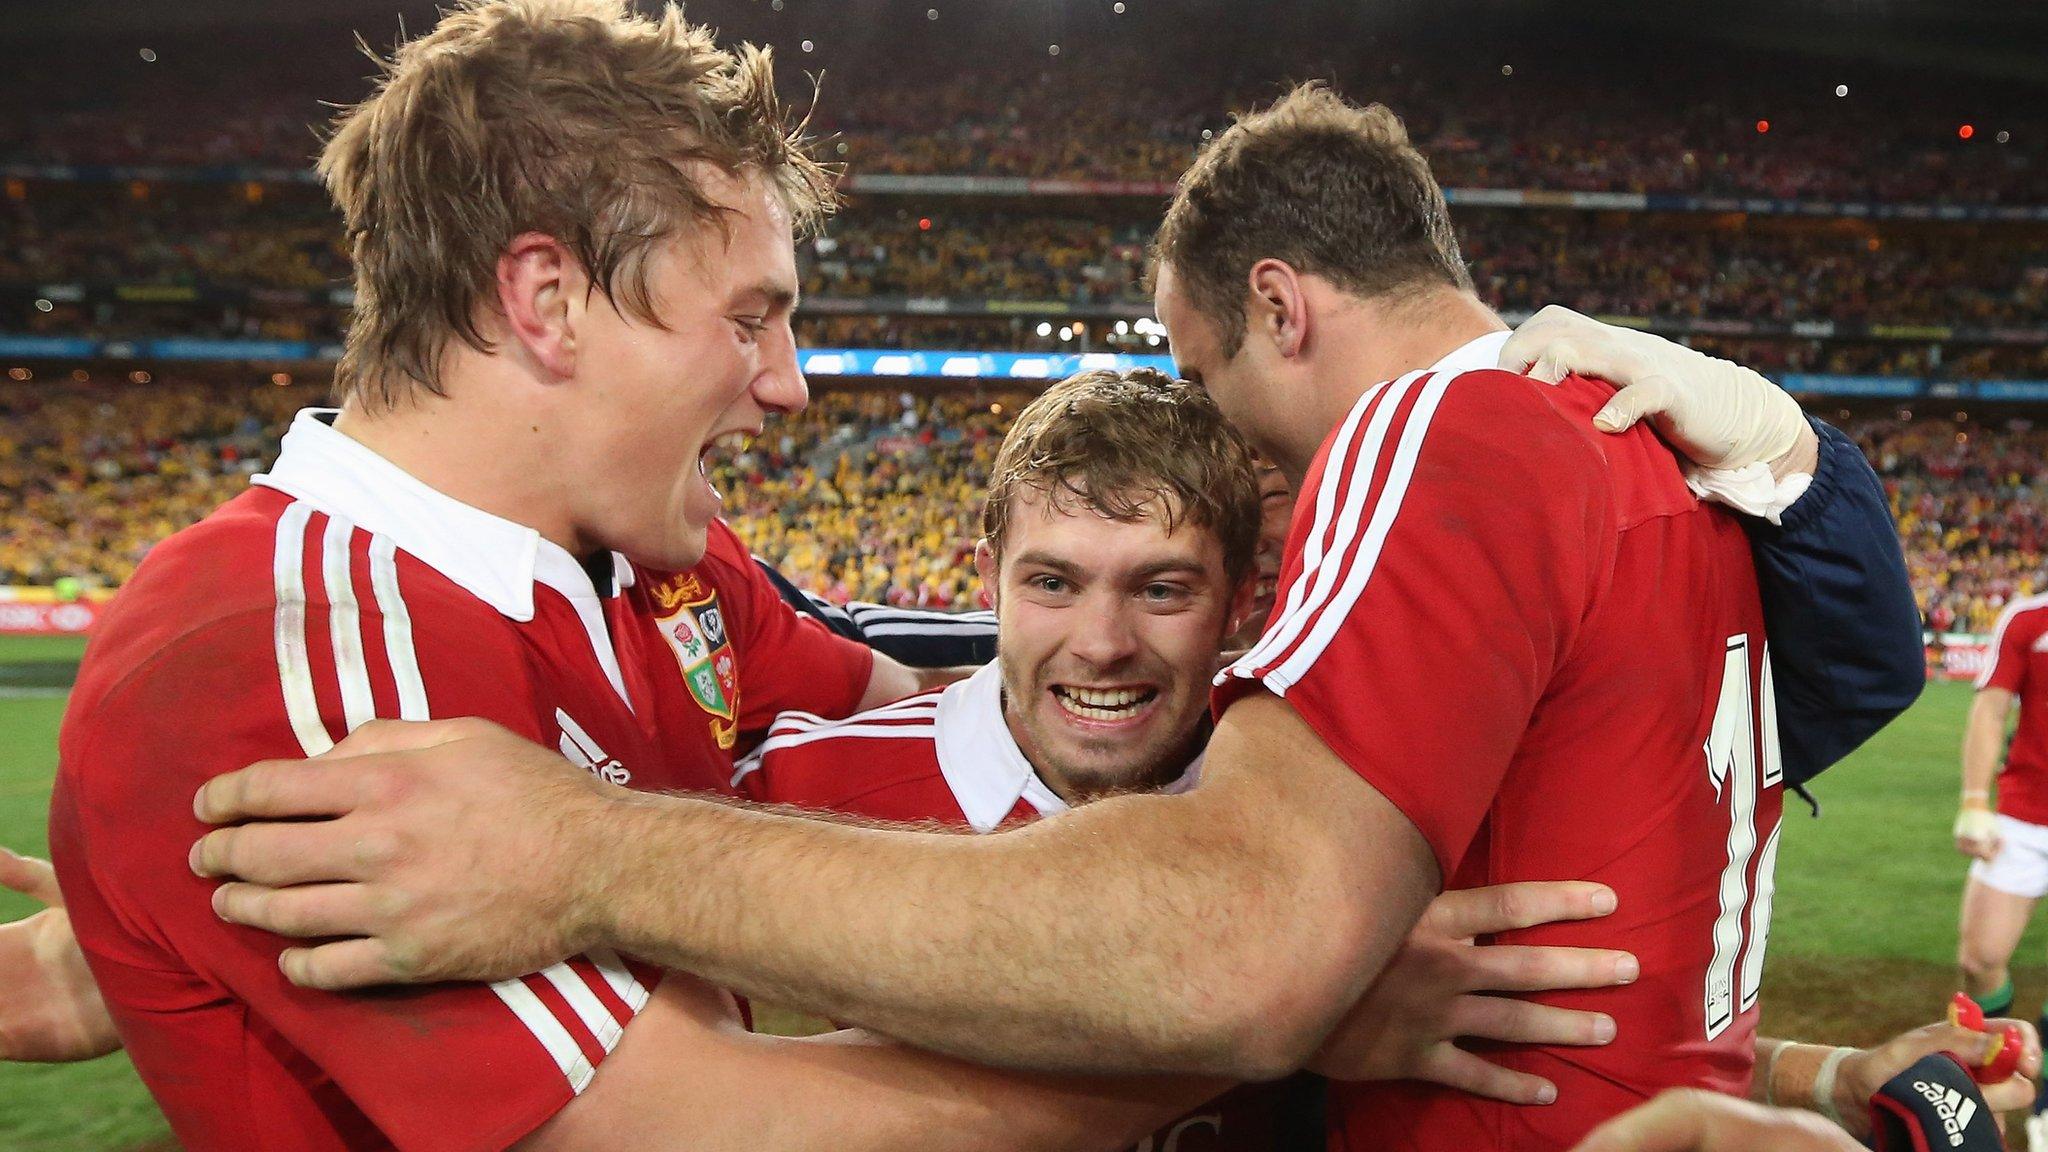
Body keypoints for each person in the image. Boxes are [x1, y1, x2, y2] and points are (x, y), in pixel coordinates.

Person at [29, 6, 1721, 1149]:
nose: (791, 383)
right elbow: (711, 1126)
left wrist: (1774, 456)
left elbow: (976, 693)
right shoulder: (280, 652)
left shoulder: (662, 582)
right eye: (751, 313)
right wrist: (1269, 1004)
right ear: (544, 302)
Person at [1952, 591, 2048, 1143]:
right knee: (1981, 956)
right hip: (2025, 817)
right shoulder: (2029, 618)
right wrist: (1973, 800)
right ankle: (1992, 1090)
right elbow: (1991, 707)